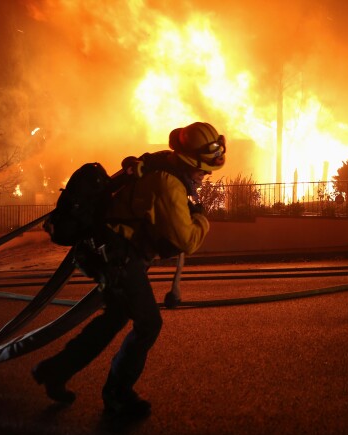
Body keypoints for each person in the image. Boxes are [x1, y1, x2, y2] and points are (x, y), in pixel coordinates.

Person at [32, 121, 226, 418]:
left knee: (114, 318)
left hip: (104, 250)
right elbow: (186, 240)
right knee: (148, 324)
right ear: (190, 162)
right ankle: (118, 395)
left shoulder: (163, 162)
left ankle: (56, 371)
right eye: (202, 170)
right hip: (115, 257)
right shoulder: (169, 184)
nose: (204, 177)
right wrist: (201, 219)